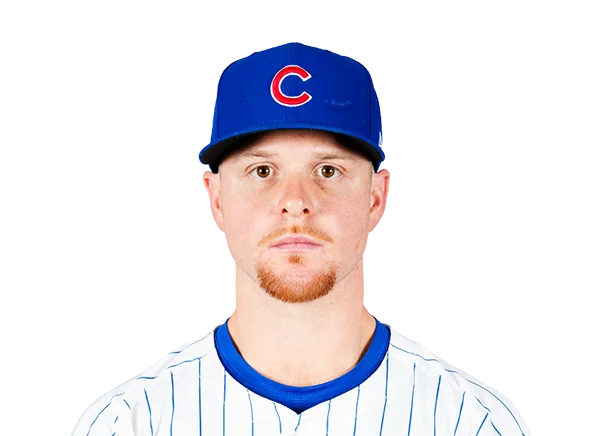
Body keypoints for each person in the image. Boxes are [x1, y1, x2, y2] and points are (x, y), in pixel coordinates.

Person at [69, 42, 531, 436]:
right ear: (217, 199)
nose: (295, 202)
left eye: (327, 170)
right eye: (262, 171)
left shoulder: (469, 423)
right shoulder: (131, 424)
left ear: (375, 197)